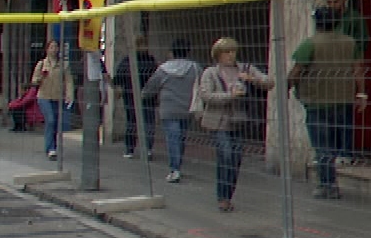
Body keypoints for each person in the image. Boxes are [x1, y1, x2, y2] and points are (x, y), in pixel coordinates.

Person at [289, 7, 364, 200]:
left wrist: (287, 87)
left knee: (322, 146)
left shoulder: (310, 44)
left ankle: (327, 184)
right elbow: (358, 69)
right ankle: (331, 180)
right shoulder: (350, 43)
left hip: (317, 101)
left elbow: (297, 70)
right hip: (343, 99)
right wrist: (361, 93)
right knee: (336, 142)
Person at [196, 36, 274, 213]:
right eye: (226, 52)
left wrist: (252, 79)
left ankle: (228, 194)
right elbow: (206, 95)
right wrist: (230, 96)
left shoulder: (245, 68)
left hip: (238, 120)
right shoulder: (210, 73)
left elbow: (270, 82)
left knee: (236, 159)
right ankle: (222, 197)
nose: (230, 56)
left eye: (233, 51)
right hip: (218, 122)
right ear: (218, 55)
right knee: (225, 154)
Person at [140, 37, 200, 183]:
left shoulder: (163, 69)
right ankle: (178, 165)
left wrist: (143, 95)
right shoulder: (195, 68)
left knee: (172, 138)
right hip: (187, 108)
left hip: (168, 108)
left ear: (172, 52)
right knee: (181, 138)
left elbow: (151, 87)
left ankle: (175, 169)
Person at [115, 36, 161, 160]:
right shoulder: (149, 61)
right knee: (146, 123)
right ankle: (145, 149)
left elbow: (118, 78)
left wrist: (119, 89)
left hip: (133, 96)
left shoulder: (129, 60)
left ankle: (132, 149)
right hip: (144, 97)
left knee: (134, 123)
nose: (143, 47)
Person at [32, 40, 73, 160]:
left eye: (56, 47)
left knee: (55, 122)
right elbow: (34, 80)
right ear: (47, 49)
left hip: (57, 97)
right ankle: (50, 148)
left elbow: (69, 81)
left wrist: (69, 94)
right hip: (44, 96)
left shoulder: (64, 65)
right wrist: (41, 77)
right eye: (51, 47)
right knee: (50, 120)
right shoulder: (41, 64)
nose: (54, 49)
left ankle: (52, 147)